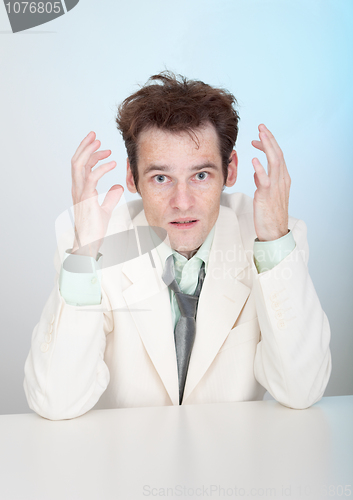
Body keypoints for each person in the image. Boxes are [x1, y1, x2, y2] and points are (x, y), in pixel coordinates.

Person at [24, 72, 331, 420]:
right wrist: (84, 256)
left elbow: (302, 389)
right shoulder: (95, 244)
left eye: (201, 176)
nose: (182, 202)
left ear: (229, 172)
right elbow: (56, 401)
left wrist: (274, 239)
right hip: (130, 463)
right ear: (131, 177)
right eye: (160, 178)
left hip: (237, 463)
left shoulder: (272, 238)